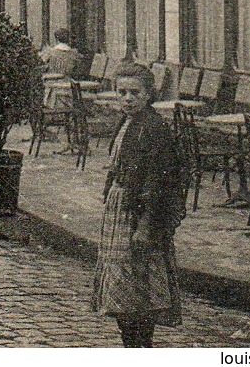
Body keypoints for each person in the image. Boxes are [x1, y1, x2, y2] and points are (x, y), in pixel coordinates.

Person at [92, 62, 187, 347]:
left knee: (137, 290)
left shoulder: (154, 128)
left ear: (149, 94)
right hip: (120, 210)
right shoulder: (129, 122)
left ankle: (139, 348)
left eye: (135, 92)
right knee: (124, 291)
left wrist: (145, 227)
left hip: (137, 216)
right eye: (121, 92)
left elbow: (159, 183)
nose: (127, 98)